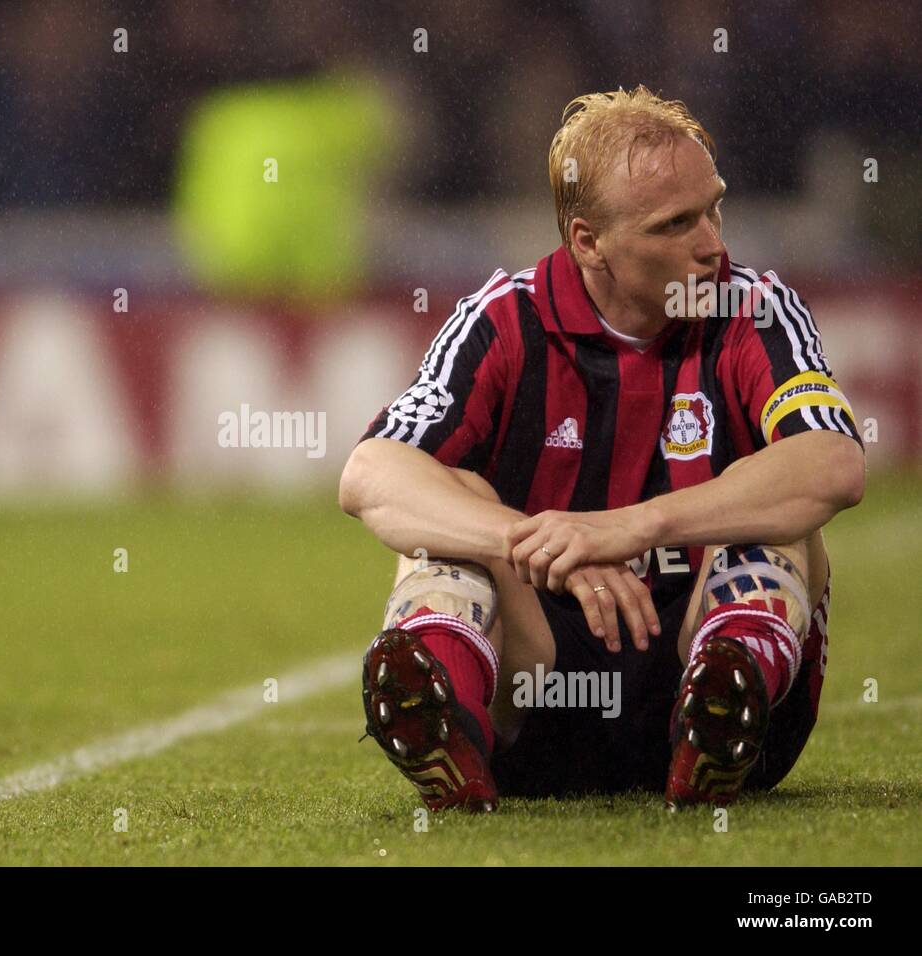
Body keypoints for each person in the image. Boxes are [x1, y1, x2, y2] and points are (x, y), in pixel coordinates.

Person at [338, 86, 865, 811]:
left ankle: (720, 698)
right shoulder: (503, 320)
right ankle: (441, 705)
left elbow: (835, 464)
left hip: (720, 696)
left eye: (713, 207)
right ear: (588, 242)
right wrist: (529, 542)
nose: (712, 243)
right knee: (451, 510)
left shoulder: (752, 309)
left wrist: (633, 524)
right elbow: (369, 474)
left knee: (775, 512)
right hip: (540, 697)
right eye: (674, 224)